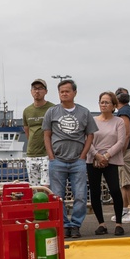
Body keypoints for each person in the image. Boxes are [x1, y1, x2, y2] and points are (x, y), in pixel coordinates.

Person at [43, 79, 97, 238]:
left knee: (80, 195)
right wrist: (51, 156)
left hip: (77, 162)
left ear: (74, 93)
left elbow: (90, 135)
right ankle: (63, 225)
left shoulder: (84, 112)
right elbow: (46, 135)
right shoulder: (51, 112)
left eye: (67, 91)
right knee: (57, 196)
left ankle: (75, 225)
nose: (64, 94)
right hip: (57, 161)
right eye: (61, 91)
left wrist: (83, 156)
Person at [87, 92, 127, 235]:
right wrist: (97, 155)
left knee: (115, 190)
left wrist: (106, 156)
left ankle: (118, 223)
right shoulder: (92, 120)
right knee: (95, 191)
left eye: (107, 102)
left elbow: (121, 141)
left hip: (112, 159)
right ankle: (101, 223)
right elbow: (88, 140)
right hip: (93, 159)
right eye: (101, 102)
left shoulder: (119, 122)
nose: (103, 105)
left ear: (114, 106)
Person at [113, 87, 130, 224]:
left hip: (127, 151)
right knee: (123, 182)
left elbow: (127, 134)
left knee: (128, 183)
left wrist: (121, 152)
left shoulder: (124, 113)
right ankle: (124, 209)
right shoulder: (129, 111)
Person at [22, 78, 55, 186]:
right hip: (31, 154)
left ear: (46, 91)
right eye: (34, 88)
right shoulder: (27, 111)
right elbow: (27, 132)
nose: (37, 91)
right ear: (31, 91)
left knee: (46, 187)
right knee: (35, 189)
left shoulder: (52, 108)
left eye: (40, 88)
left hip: (47, 154)